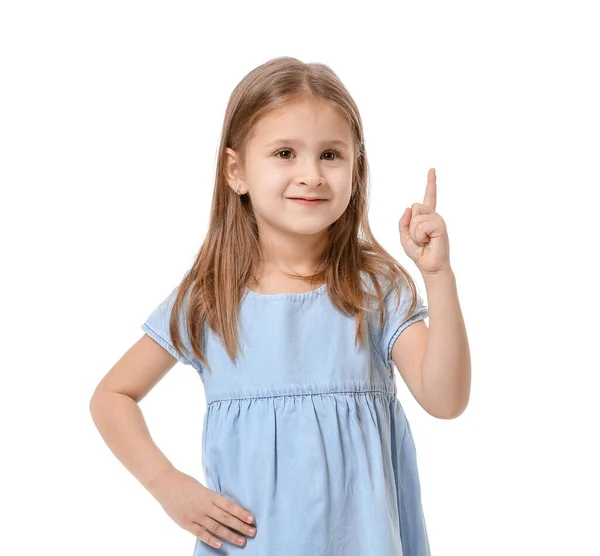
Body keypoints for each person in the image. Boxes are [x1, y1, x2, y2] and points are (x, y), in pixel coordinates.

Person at [89, 56, 471, 555]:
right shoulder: (211, 296)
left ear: (356, 168)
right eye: (285, 152)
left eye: (331, 155)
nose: (311, 174)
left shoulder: (373, 288)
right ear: (236, 170)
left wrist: (437, 277)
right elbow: (112, 396)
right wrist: (169, 487)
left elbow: (446, 400)